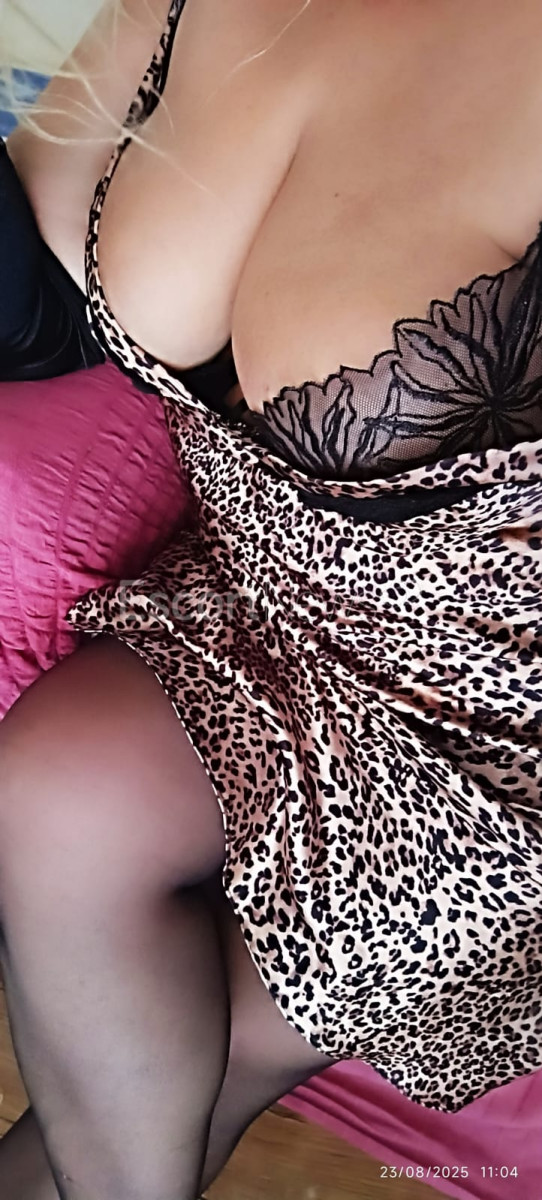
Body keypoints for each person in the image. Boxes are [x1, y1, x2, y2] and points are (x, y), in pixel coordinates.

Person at [0, 0, 541, 1196]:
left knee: (157, 1100)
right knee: (55, 787)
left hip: (492, 726)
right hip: (256, 601)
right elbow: (32, 251)